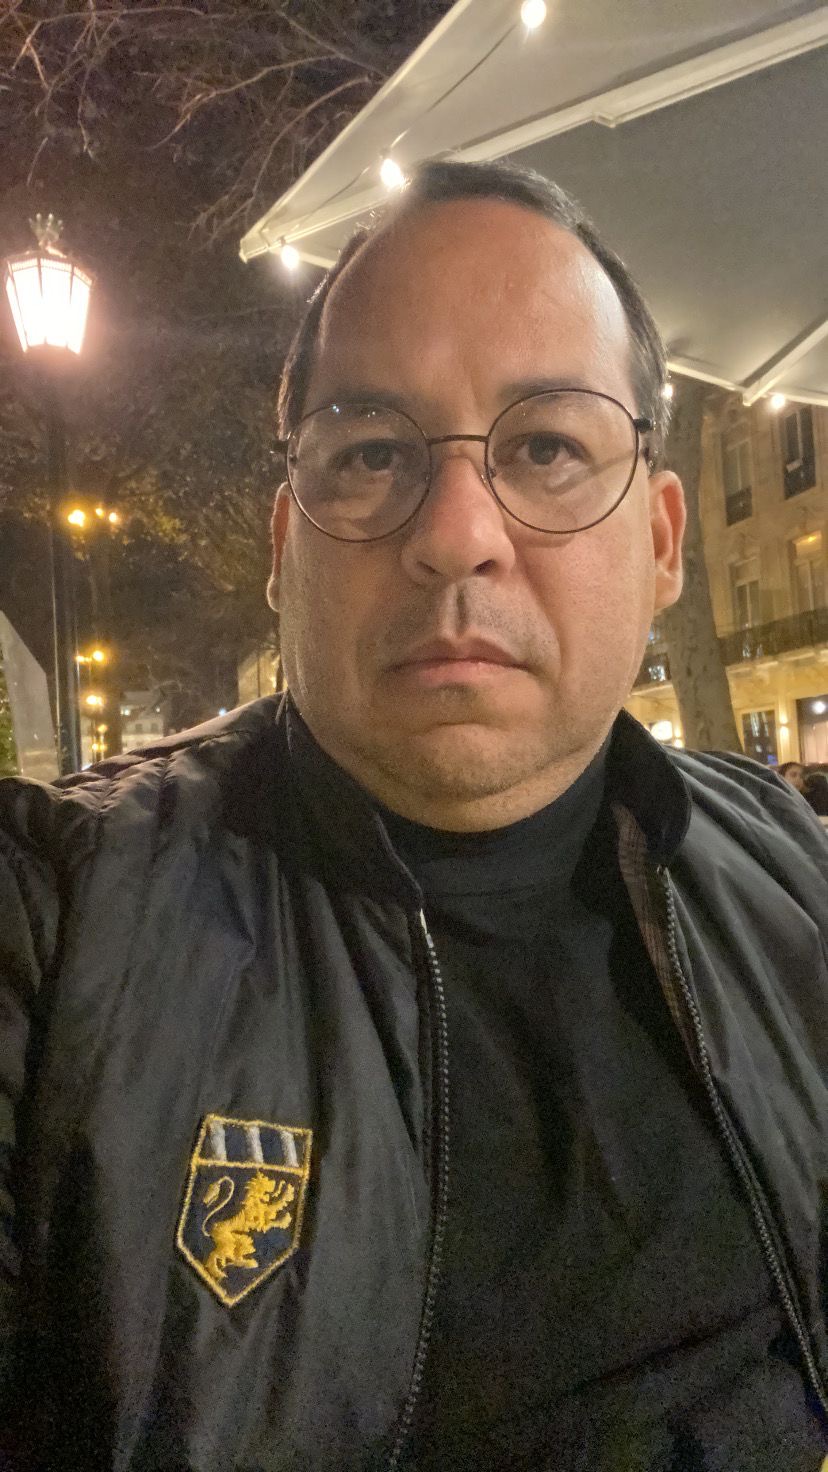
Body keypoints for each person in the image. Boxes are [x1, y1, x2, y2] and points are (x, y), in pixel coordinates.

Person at [2, 160, 828, 1472]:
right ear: (286, 546)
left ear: (663, 542)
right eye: (375, 452)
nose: (455, 534)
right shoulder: (57, 925)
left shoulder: (798, 872)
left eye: (548, 447)